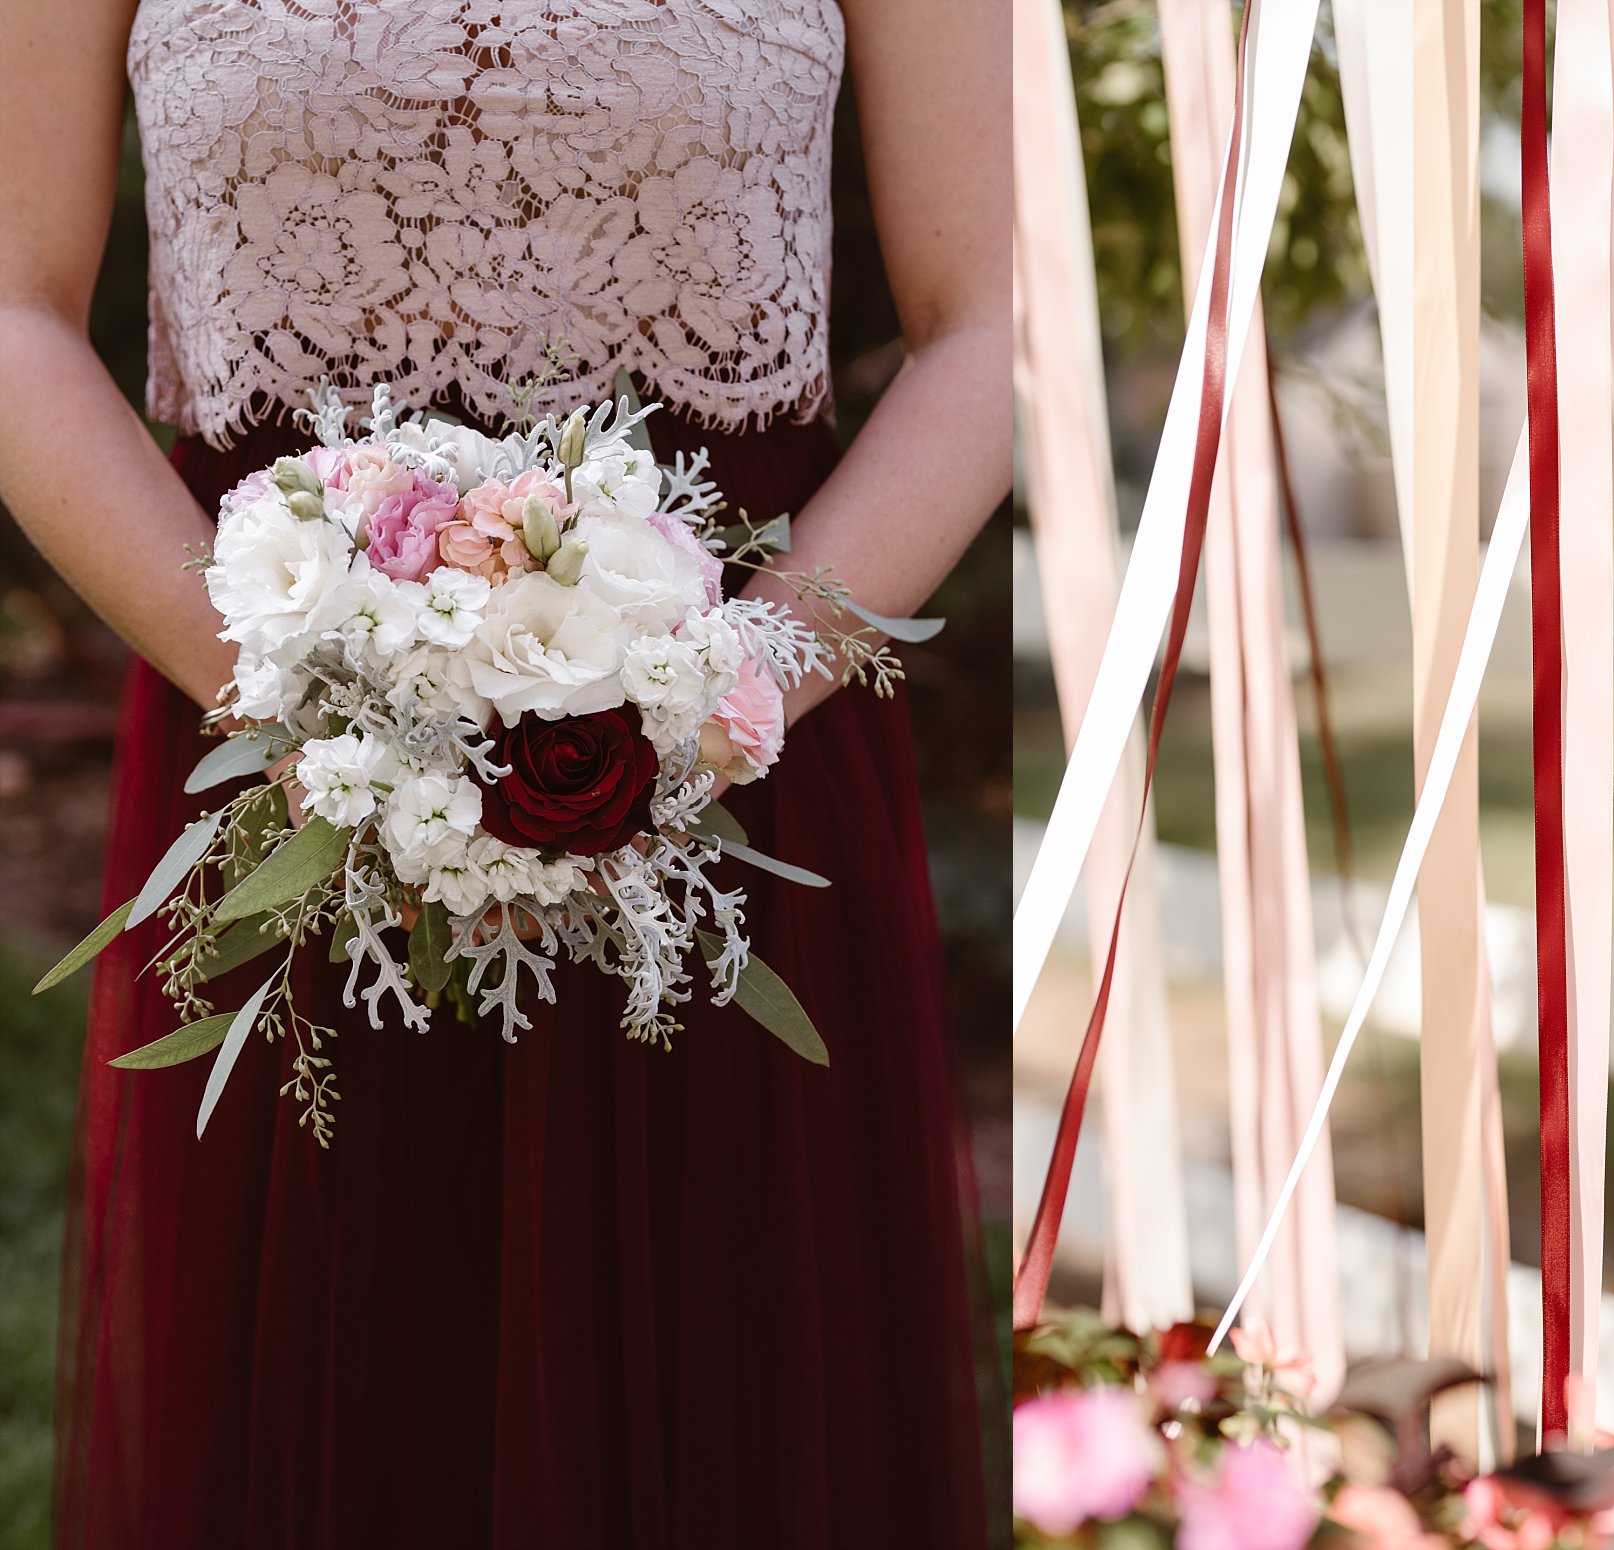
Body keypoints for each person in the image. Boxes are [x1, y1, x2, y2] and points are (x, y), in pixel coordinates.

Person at [0, 2, 1008, 1544]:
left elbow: (997, 319)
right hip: (282, 747)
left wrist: (720, 693)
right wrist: (311, 708)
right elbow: (13, 305)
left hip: (726, 762)